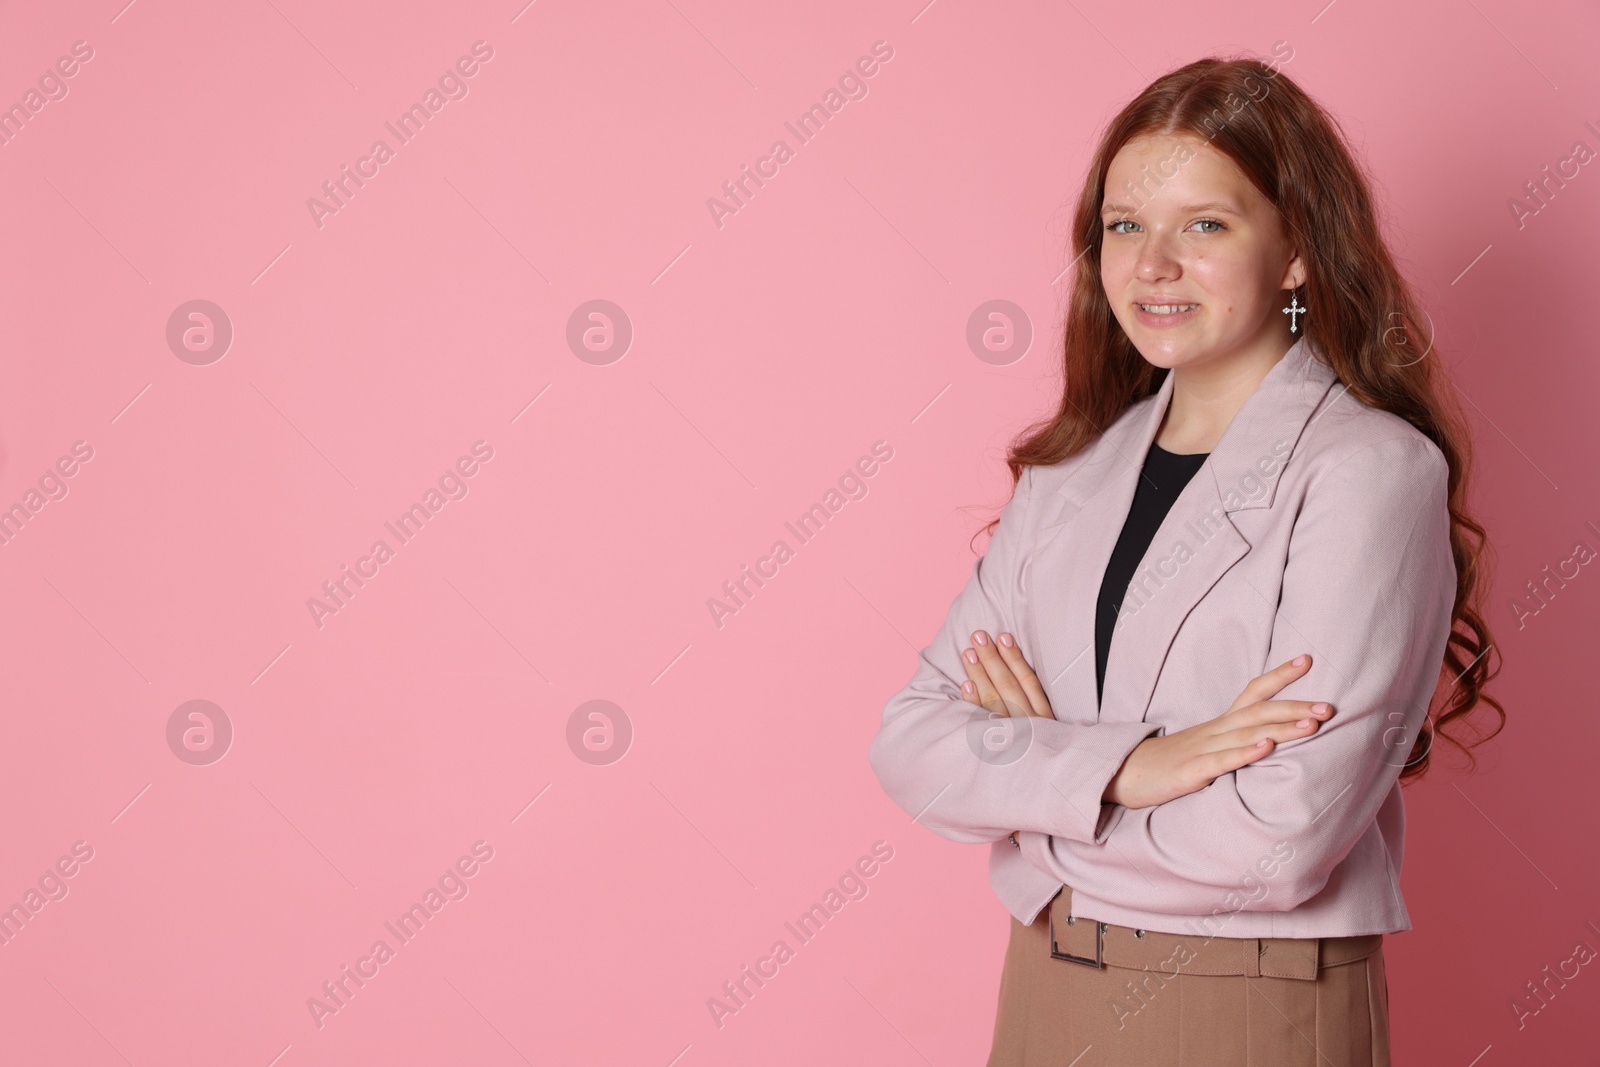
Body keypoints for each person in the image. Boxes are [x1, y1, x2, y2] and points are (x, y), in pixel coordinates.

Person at [867, 55, 1503, 1065]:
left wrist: (1046, 784)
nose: (1151, 264)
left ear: (1296, 249)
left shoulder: (1369, 471)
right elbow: (910, 744)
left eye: (1203, 224)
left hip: (1243, 998)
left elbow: (1281, 841)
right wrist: (1133, 765)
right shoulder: (1069, 471)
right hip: (1044, 975)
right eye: (1125, 225)